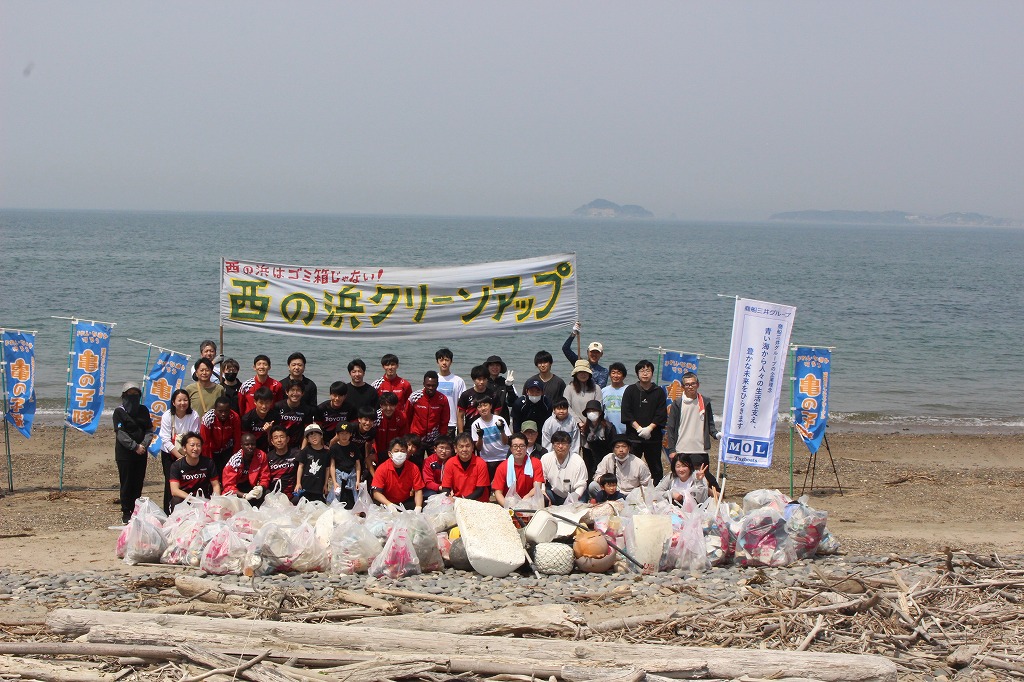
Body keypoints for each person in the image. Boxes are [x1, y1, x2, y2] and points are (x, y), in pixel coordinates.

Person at [665, 372, 723, 495]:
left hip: (700, 448)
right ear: (682, 387)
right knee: (682, 477)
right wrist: (672, 450)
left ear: (698, 384)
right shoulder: (677, 403)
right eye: (687, 385)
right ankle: (682, 499)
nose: (690, 386)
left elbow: (709, 423)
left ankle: (715, 495)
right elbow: (671, 427)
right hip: (681, 448)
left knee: (702, 476)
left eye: (693, 384)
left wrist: (716, 434)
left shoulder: (704, 402)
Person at [113, 382, 155, 523]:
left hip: (141, 453)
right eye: (130, 394)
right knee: (126, 482)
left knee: (138, 482)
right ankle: (126, 511)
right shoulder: (119, 412)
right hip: (125, 454)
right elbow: (120, 433)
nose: (133, 397)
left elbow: (149, 430)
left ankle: (136, 510)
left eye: (136, 394)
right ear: (124, 395)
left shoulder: (143, 410)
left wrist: (143, 445)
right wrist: (134, 446)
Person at [621, 359, 668, 483]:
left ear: (652, 373)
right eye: (642, 370)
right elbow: (626, 412)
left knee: (656, 468)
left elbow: (661, 413)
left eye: (648, 370)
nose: (645, 373)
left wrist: (649, 429)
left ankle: (658, 492)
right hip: (634, 437)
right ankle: (630, 491)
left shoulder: (658, 391)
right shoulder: (630, 390)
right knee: (631, 467)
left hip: (653, 438)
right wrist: (639, 428)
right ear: (637, 374)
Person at [158, 389, 200, 514]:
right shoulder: (167, 415)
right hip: (169, 453)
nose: (183, 403)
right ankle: (168, 512)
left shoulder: (194, 415)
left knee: (188, 480)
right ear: (173, 402)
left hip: (189, 453)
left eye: (185, 400)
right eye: (179, 400)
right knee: (170, 482)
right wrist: (178, 456)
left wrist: (187, 456)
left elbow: (194, 435)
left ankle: (188, 510)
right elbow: (165, 439)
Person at [168, 432, 220, 509]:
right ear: (184, 448)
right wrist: (193, 499)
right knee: (176, 501)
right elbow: (174, 490)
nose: (195, 448)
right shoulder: (176, 466)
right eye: (192, 445)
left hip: (204, 499)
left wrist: (216, 501)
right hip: (186, 499)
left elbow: (215, 485)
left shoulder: (208, 463)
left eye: (198, 445)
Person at [491, 432, 544, 506]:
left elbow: (537, 487)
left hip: (530, 501)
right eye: (515, 446)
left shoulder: (536, 463)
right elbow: (498, 493)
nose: (518, 449)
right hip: (509, 502)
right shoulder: (502, 467)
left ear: (526, 447)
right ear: (511, 448)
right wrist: (508, 507)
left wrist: (525, 499)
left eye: (522, 446)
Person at [371, 437, 424, 510]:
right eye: (396, 451)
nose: (399, 454)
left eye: (402, 451)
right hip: (387, 502)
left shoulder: (414, 468)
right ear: (390, 454)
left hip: (405, 502)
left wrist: (418, 507)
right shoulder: (382, 469)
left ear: (406, 453)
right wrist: (389, 504)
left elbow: (418, 490)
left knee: (423, 505)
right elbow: (376, 493)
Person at [540, 430, 588, 505]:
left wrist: (572, 499)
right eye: (557, 443)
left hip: (575, 494)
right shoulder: (545, 458)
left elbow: (582, 484)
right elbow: (541, 479)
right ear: (552, 445)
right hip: (554, 494)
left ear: (569, 445)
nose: (560, 446)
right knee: (542, 497)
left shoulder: (578, 461)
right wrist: (543, 493)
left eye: (564, 443)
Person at [406, 370, 450, 452]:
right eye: (428, 385)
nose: (431, 388)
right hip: (417, 438)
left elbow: (444, 421)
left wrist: (441, 438)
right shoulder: (414, 397)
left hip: (434, 439)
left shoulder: (442, 399)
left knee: (435, 463)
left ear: (437, 384)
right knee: (416, 463)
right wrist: (409, 436)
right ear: (424, 384)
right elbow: (407, 416)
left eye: (433, 385)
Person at [469, 394, 511, 478]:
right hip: (487, 459)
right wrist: (480, 437)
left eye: (485, 405)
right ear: (477, 409)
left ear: (491, 406)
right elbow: (478, 448)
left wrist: (502, 430)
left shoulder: (500, 420)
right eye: (480, 406)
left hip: (503, 457)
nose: (483, 408)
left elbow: (506, 442)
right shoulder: (475, 424)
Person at [221, 433, 270, 505]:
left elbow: (265, 476)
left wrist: (261, 487)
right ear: (241, 445)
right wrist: (244, 495)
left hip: (253, 487)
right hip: (237, 489)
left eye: (252, 444)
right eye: (247, 445)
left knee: (267, 494)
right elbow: (228, 485)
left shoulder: (261, 456)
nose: (250, 447)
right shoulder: (234, 461)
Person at [440, 432, 489, 501]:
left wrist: (463, 501)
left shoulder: (481, 463)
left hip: (478, 501)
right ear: (455, 449)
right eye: (461, 446)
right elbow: (445, 487)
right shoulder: (450, 463)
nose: (464, 449)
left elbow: (480, 490)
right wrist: (448, 497)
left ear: (472, 447)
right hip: (457, 500)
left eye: (468, 446)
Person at [200, 395, 242, 475]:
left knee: (227, 472)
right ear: (215, 410)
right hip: (212, 450)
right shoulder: (208, 418)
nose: (223, 414)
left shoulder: (234, 417)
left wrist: (235, 457)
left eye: (226, 411)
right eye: (220, 411)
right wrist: (208, 461)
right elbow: (205, 442)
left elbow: (237, 439)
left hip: (227, 448)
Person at [563, 320, 609, 388]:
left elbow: (599, 388)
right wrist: (574, 333)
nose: (594, 354)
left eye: (597, 352)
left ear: (601, 354)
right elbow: (565, 348)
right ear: (587, 352)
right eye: (592, 352)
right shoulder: (579, 362)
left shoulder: (603, 371)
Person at [580, 398, 617, 480]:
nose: (591, 413)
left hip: (606, 457)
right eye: (589, 411)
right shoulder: (585, 428)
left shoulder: (608, 427)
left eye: (594, 410)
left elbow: (614, 444)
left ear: (600, 412)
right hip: (591, 459)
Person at [294, 424, 331, 503]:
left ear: (321, 435)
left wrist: (325, 484)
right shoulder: (305, 451)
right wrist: (298, 483)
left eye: (316, 434)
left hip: (319, 487)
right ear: (307, 439)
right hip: (305, 486)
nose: (314, 437)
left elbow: (327, 469)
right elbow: (300, 467)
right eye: (310, 436)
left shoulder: (326, 453)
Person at [275, 378, 316, 449]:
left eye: (298, 390)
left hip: (297, 447)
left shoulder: (306, 409)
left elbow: (307, 432)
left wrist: (302, 450)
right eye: (292, 390)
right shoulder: (277, 406)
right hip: (279, 445)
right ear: (287, 392)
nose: (295, 393)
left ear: (302, 393)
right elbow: (274, 429)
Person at [328, 423, 362, 508]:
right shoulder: (334, 448)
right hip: (339, 476)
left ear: (350, 434)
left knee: (352, 501)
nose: (344, 436)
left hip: (351, 476)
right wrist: (334, 481)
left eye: (347, 433)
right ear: (337, 435)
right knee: (336, 501)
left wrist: (358, 480)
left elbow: (357, 464)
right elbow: (332, 465)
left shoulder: (354, 447)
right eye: (342, 433)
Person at [434, 348, 465, 435]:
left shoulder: (458, 381)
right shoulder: (433, 380)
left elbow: (461, 406)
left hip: (452, 423)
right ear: (437, 362)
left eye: (447, 360)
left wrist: (460, 427)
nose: (444, 363)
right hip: (435, 422)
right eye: (441, 360)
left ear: (451, 362)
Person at [457, 365, 494, 434]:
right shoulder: (466, 395)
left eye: (484, 379)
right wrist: (461, 434)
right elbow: (460, 416)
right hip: (469, 430)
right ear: (474, 379)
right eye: (479, 379)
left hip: (488, 431)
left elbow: (496, 414)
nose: (482, 382)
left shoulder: (493, 395)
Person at [564, 359, 602, 425]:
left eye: (585, 372)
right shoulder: (569, 388)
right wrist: (578, 422)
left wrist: (588, 423)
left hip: (592, 424)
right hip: (573, 424)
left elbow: (599, 407)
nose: (583, 374)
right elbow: (567, 406)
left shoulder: (596, 388)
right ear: (575, 374)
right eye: (580, 372)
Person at [266, 425, 300, 498]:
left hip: (293, 495)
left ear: (287, 439)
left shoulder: (297, 454)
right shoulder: (268, 457)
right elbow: (265, 478)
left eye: (282, 437)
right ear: (272, 441)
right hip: (274, 496)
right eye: (276, 438)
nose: (279, 440)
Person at [240, 386, 276, 452]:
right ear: (255, 402)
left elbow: (273, 444)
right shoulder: (247, 419)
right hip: (252, 450)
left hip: (270, 450)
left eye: (267, 403)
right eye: (261, 402)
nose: (264, 406)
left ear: (271, 402)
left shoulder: (275, 417)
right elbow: (246, 443)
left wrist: (269, 431)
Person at [374, 392, 409, 458]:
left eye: (391, 405)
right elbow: (371, 439)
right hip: (377, 452)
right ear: (380, 405)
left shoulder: (402, 417)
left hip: (394, 453)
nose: (388, 408)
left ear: (396, 405)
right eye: (385, 405)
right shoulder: (376, 416)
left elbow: (404, 438)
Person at [350, 406, 379, 476]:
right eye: (365, 420)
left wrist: (366, 458)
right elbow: (335, 440)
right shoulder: (351, 427)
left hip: (359, 451)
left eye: (371, 420)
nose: (368, 423)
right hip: (345, 450)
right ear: (359, 419)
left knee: (362, 472)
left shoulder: (372, 431)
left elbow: (368, 444)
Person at [601, 362, 628, 434]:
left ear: (623, 376)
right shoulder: (603, 391)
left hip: (626, 430)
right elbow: (600, 411)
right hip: (609, 430)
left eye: (619, 373)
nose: (615, 376)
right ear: (609, 375)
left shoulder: (629, 390)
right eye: (613, 373)